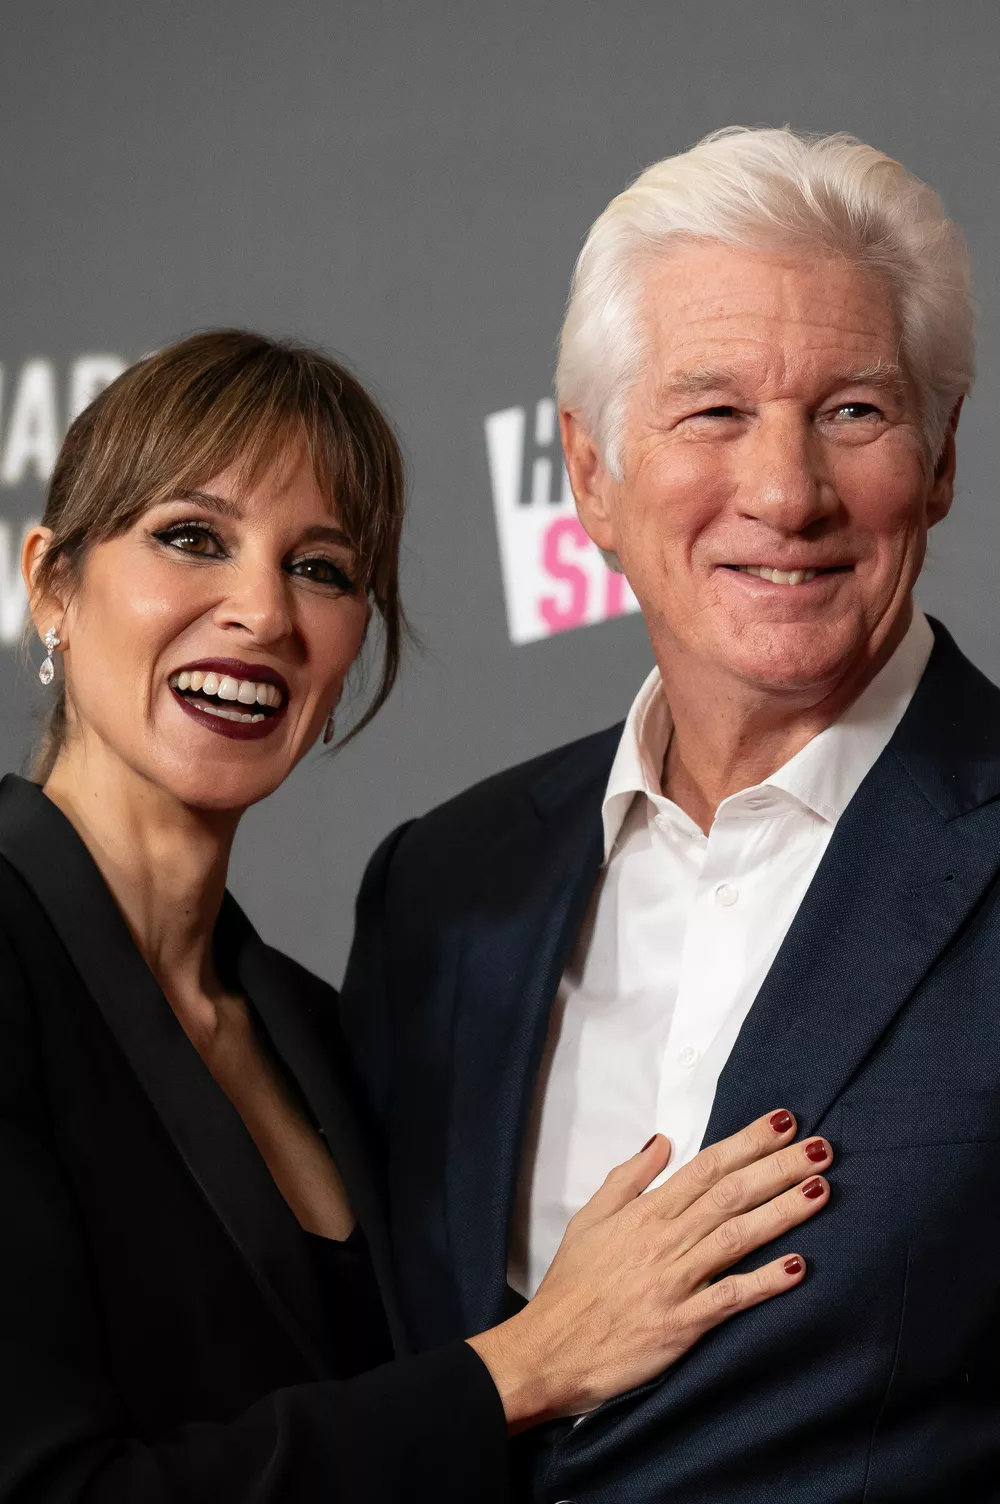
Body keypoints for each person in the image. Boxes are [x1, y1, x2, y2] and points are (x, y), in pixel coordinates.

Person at [0, 329, 831, 1503]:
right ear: (52, 584)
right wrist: (526, 1362)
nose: (261, 612)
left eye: (320, 568)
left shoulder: (316, 1021)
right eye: (192, 538)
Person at [340, 128, 1000, 1501]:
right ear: (590, 474)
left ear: (941, 459)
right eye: (713, 412)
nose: (786, 492)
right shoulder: (441, 888)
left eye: (853, 411)